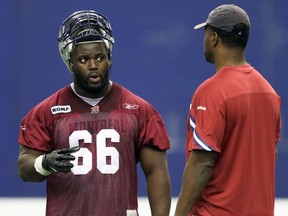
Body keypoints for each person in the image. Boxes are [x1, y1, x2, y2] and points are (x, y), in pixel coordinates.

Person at [17, 10, 171, 216]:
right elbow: (25, 169)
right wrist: (45, 163)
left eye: (100, 57)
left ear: (109, 59)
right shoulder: (46, 112)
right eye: (84, 59)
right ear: (70, 63)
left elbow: (156, 172)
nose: (93, 65)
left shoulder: (140, 111)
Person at [175, 4, 281, 216]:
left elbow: (202, 163)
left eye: (206, 33)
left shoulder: (212, 91)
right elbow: (271, 155)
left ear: (213, 38)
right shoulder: (269, 92)